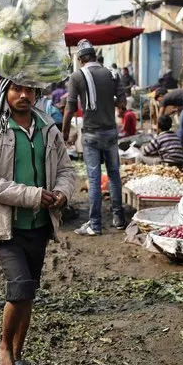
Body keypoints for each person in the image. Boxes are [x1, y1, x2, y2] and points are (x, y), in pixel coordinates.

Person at [0, 78, 76, 365]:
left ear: (37, 94)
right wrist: (30, 195)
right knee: (19, 287)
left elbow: (68, 171)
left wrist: (62, 192)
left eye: (30, 90)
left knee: (28, 291)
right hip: (7, 226)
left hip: (39, 225)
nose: (24, 95)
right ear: (6, 92)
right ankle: (4, 349)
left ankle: (18, 356)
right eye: (17, 88)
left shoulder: (48, 130)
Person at [62, 39, 126, 236]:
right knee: (114, 175)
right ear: (95, 56)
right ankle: (119, 218)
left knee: (94, 178)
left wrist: (64, 133)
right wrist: (108, 102)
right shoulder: (112, 74)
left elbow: (70, 108)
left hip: (91, 134)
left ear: (81, 59)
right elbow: (122, 103)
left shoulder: (77, 76)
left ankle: (95, 224)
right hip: (110, 133)